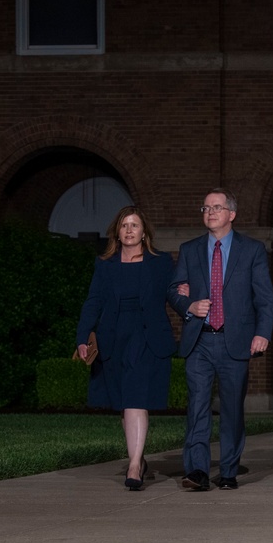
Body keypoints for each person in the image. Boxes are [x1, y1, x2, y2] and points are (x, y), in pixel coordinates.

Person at [167, 188, 273, 491]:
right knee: (198, 406)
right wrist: (187, 305)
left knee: (232, 410)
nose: (210, 212)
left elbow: (264, 298)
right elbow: (173, 290)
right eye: (205, 208)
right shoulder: (189, 249)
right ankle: (198, 471)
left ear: (231, 214)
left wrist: (262, 333)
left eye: (216, 207)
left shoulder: (251, 250)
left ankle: (228, 470)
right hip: (199, 340)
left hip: (235, 340)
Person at [76, 206, 178, 492]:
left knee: (135, 397)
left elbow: (174, 290)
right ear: (117, 233)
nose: (130, 230)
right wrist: (83, 336)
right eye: (124, 226)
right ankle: (139, 458)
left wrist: (186, 293)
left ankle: (133, 466)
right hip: (114, 337)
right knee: (125, 403)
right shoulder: (105, 264)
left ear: (144, 232)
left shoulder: (160, 263)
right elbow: (93, 301)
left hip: (147, 337)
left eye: (134, 225)